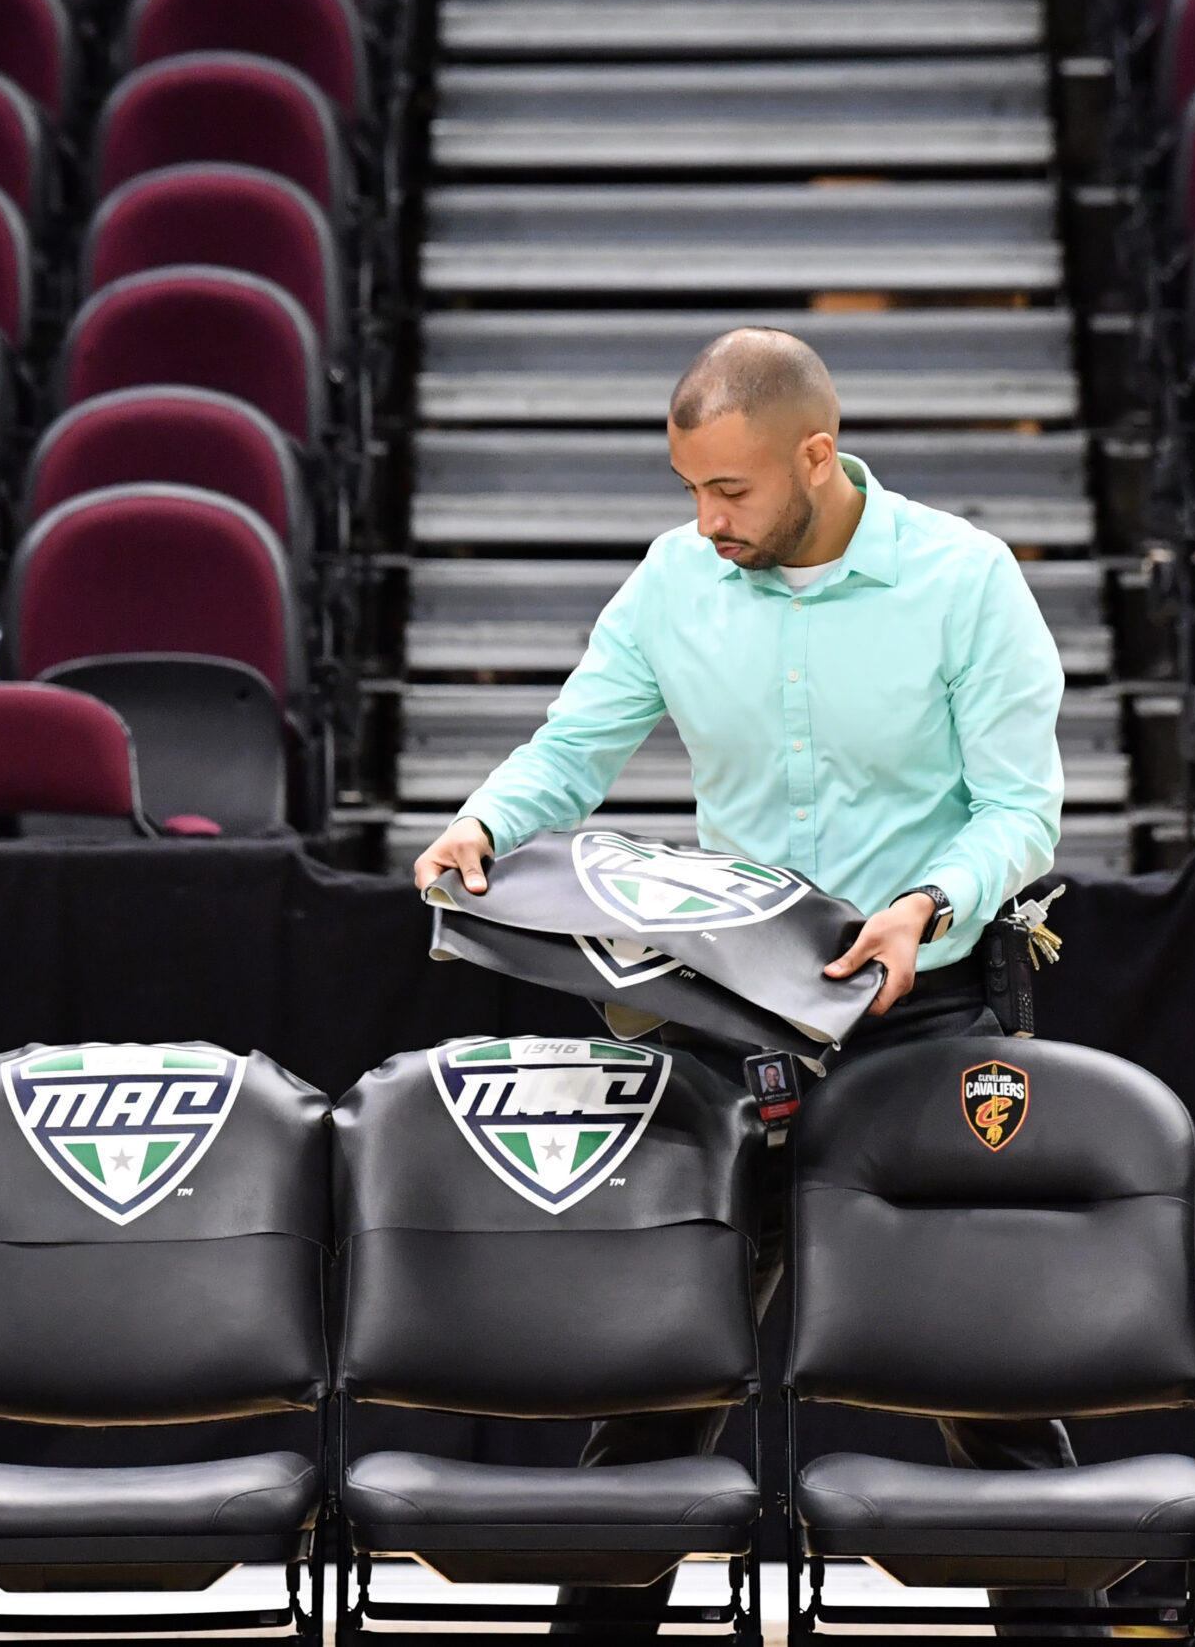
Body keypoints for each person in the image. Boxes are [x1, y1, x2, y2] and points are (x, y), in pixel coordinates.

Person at [410, 327, 1071, 1635]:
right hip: (732, 1006)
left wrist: (927, 906)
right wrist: (483, 824)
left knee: (981, 1373)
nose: (706, 520)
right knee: (661, 1370)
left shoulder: (966, 579)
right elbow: (573, 747)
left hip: (921, 1004)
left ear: (815, 456)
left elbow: (1019, 812)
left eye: (732, 492)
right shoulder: (672, 580)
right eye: (693, 490)